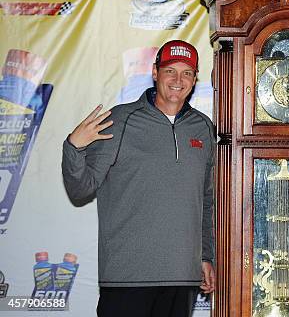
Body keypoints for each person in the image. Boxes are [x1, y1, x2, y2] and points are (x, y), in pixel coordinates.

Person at [62, 40, 216, 317]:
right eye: (170, 70)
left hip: (182, 276)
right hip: (127, 277)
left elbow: (207, 201)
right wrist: (74, 148)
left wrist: (206, 257)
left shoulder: (203, 128)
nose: (178, 80)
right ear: (155, 73)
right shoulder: (119, 121)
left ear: (194, 80)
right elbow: (80, 189)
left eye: (187, 73)